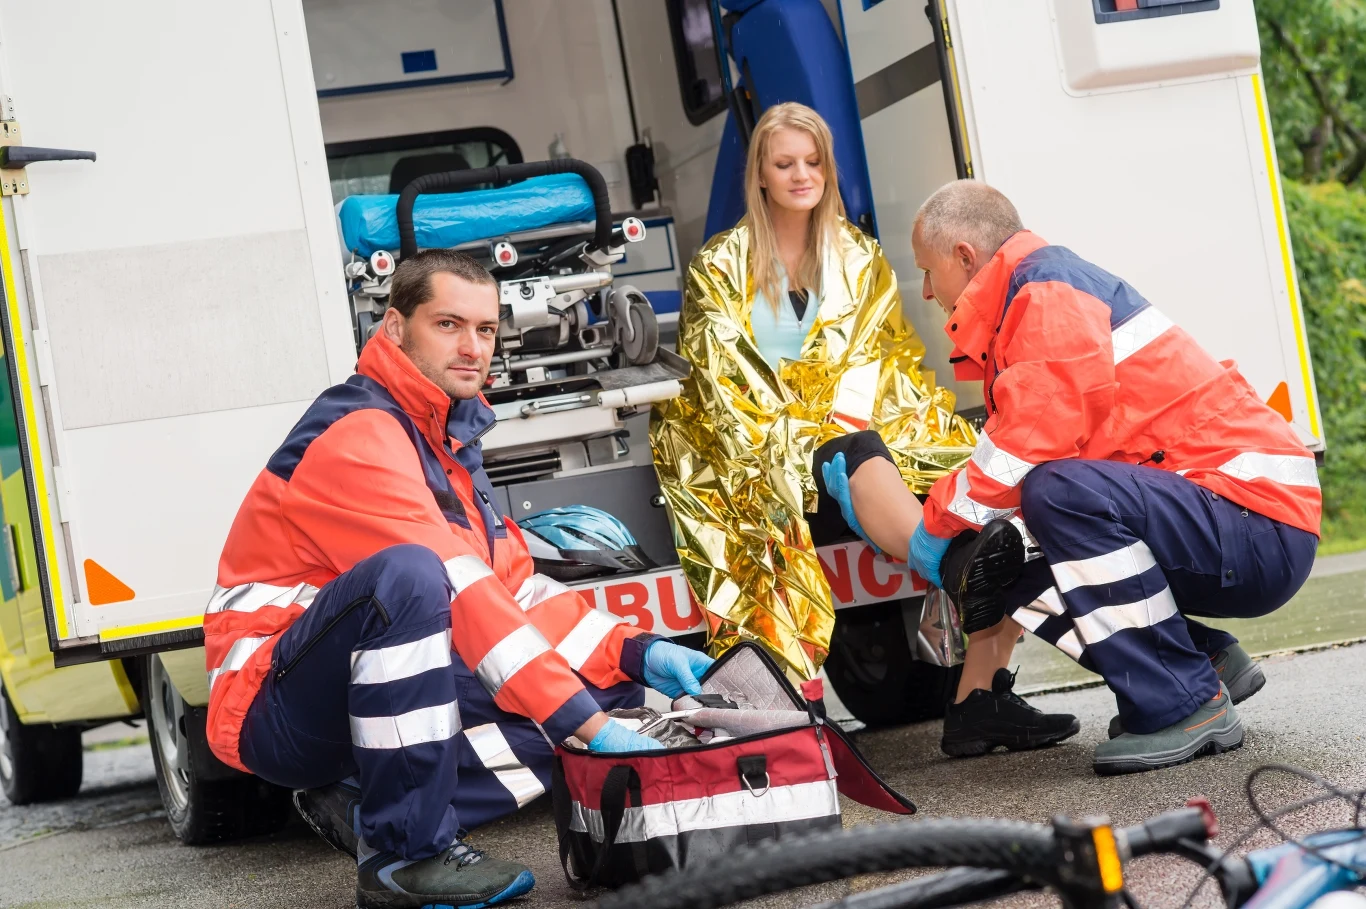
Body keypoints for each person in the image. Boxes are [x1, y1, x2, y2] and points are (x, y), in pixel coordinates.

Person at [203, 249, 714, 909]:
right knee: (413, 578)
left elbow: (516, 594)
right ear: (393, 329)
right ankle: (403, 857)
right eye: (448, 324)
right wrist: (588, 726)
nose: (473, 346)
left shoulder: (448, 445)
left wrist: (635, 652)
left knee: (607, 696)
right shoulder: (360, 432)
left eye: (486, 329)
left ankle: (367, 800)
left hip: (346, 693)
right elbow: (461, 590)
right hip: (268, 703)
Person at [823, 179, 1320, 774]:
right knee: (1008, 551)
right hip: (1236, 518)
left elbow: (1030, 443)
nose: (926, 289)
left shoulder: (1046, 291)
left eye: (929, 271)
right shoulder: (1029, 302)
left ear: (964, 256)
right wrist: (961, 542)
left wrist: (933, 530)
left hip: (1256, 519)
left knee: (1051, 495)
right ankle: (1202, 663)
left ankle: (1183, 704)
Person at [649, 103, 1077, 750]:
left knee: (998, 470)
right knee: (849, 458)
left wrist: (842, 414)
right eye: (784, 163)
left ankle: (979, 696)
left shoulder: (858, 255)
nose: (801, 175)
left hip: (860, 428)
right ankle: (947, 568)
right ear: (759, 174)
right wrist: (805, 427)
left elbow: (886, 357)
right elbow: (724, 382)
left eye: (813, 161)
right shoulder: (720, 264)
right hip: (768, 446)